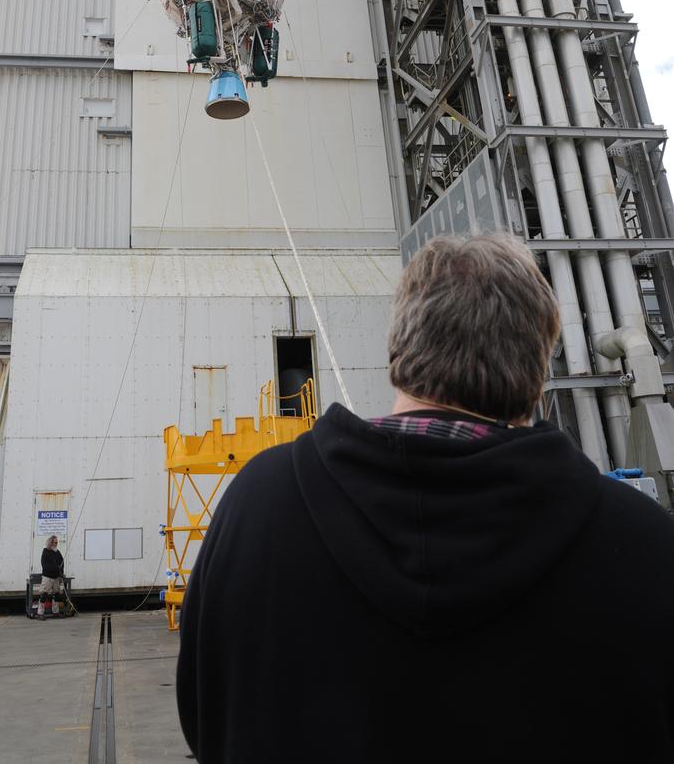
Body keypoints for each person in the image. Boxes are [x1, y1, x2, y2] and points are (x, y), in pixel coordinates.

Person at [176, 234, 674, 762]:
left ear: (398, 348)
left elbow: (204, 718)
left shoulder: (255, 508)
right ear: (538, 370)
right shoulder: (645, 546)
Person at [37, 534, 64, 617]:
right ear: (50, 543)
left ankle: (55, 612)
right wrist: (56, 568)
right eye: (55, 542)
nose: (56, 544)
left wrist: (61, 572)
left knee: (56, 595)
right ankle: (40, 613)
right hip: (47, 577)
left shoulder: (57, 552)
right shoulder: (45, 552)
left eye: (57, 542)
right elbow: (45, 565)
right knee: (44, 594)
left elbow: (62, 562)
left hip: (56, 577)